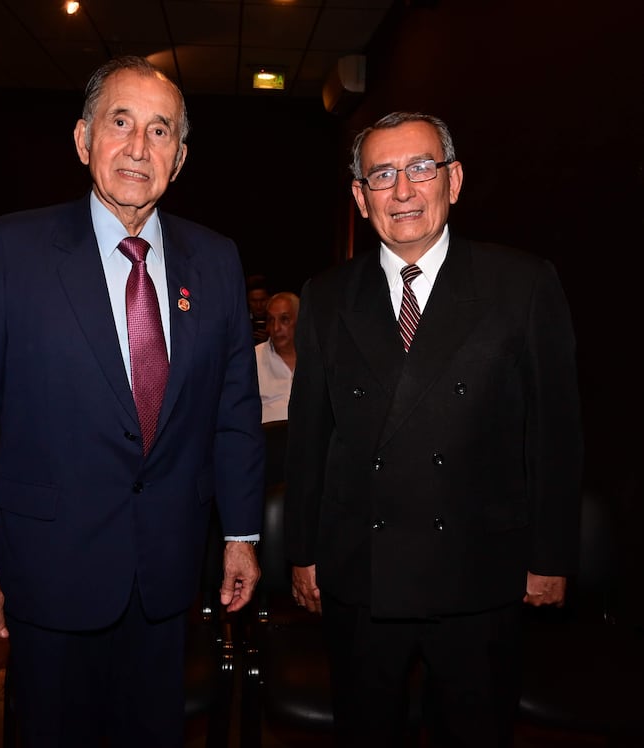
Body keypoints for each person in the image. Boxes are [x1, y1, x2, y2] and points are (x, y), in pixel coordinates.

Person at [0, 55, 264, 748]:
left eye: (161, 130)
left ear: (181, 155)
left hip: (167, 573)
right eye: (120, 122)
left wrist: (241, 533)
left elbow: (234, 411)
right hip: (48, 572)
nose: (139, 147)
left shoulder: (218, 260)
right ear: (84, 140)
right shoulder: (11, 249)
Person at [283, 111, 583, 747]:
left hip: (480, 574)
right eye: (383, 175)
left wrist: (550, 556)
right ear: (361, 199)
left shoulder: (522, 284)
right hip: (361, 573)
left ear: (455, 180)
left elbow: (556, 434)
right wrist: (303, 551)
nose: (403, 190)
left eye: (422, 169)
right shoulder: (328, 295)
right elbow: (311, 434)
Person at [255, 291, 299, 423]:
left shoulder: (317, 357)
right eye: (271, 320)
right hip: (269, 438)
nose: (276, 328)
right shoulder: (253, 358)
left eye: (284, 319)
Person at [246, 273, 271, 344]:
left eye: (262, 300)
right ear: (247, 300)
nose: (258, 305)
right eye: (254, 301)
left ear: (269, 298)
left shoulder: (276, 321)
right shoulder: (241, 321)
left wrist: (270, 340)